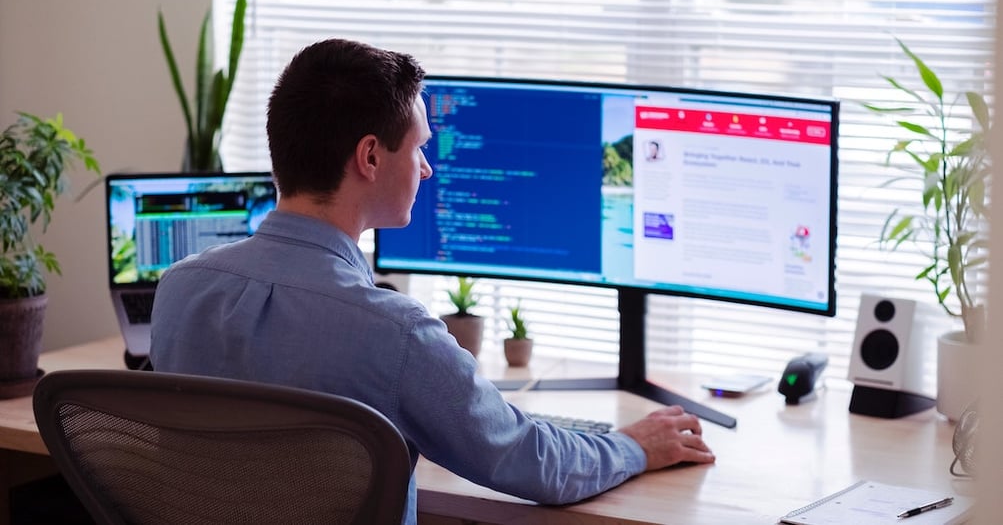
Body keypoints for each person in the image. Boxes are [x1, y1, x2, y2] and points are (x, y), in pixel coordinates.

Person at [150, 38, 714, 525]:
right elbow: (530, 461)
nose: (427, 168)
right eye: (418, 146)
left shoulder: (178, 290)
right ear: (370, 156)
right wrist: (632, 446)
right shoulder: (394, 332)